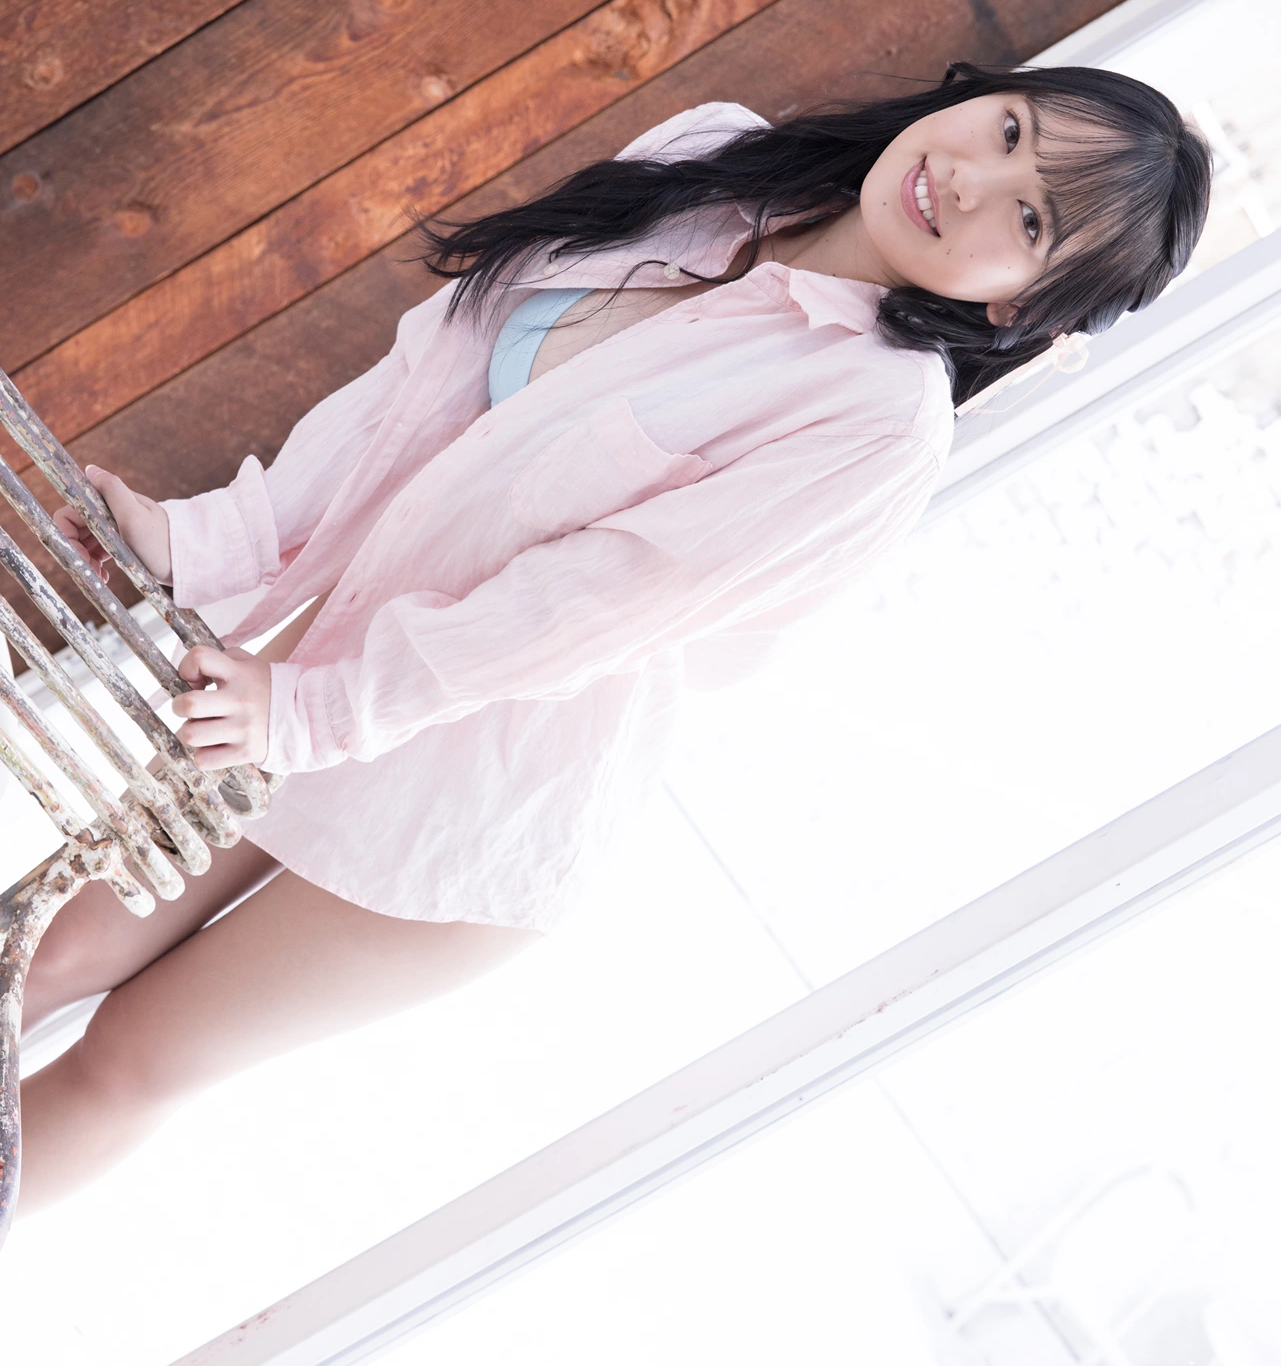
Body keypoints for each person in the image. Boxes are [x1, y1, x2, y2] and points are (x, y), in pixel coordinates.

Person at [18, 62, 1211, 1213]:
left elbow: (592, 605)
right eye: (1010, 131)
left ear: (1019, 307)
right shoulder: (713, 160)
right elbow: (425, 385)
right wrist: (209, 543)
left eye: (1030, 219)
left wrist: (316, 711)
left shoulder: (880, 424)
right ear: (982, 94)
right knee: (45, 953)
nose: (967, 180)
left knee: (138, 1052)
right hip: (326, 681)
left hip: (476, 809)